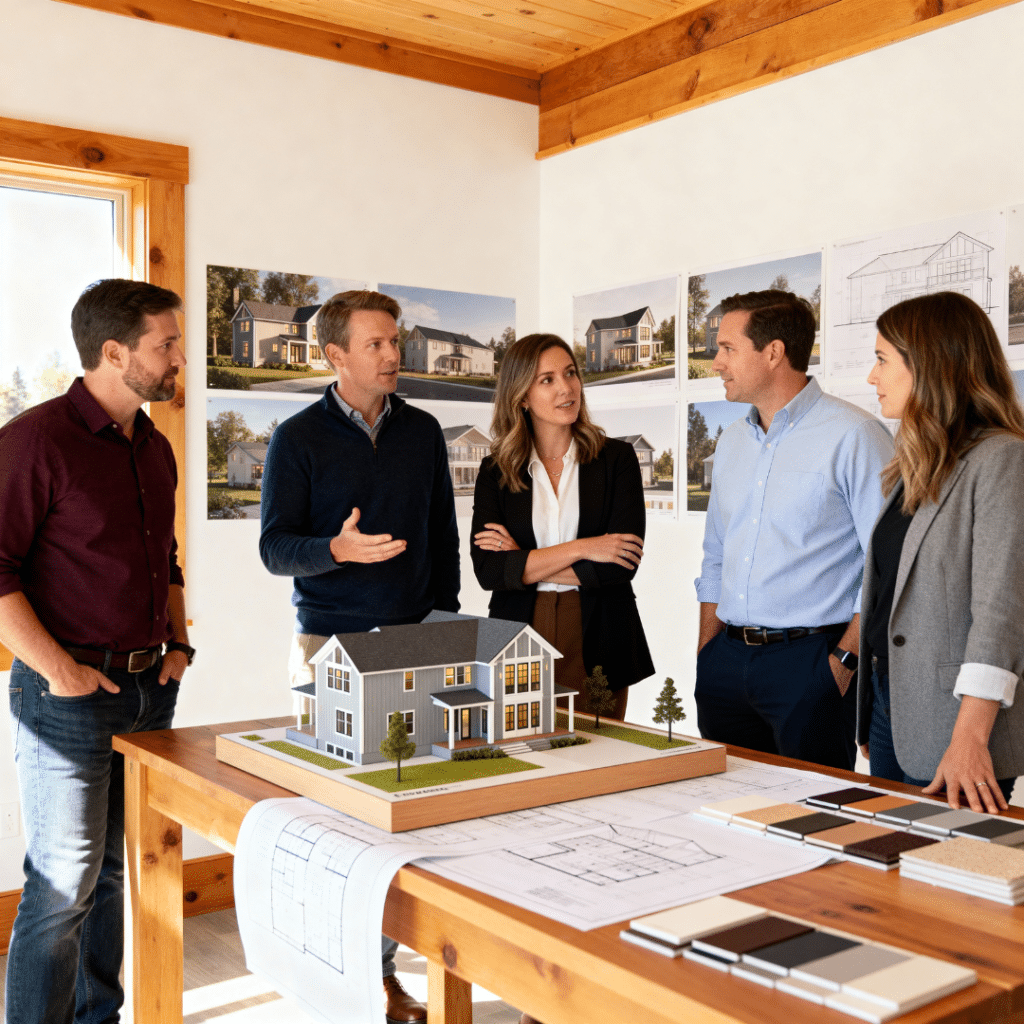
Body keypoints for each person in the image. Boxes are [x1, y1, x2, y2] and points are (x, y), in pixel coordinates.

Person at [258, 289, 459, 1024]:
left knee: (407, 821)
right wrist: (335, 550)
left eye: (394, 340)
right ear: (334, 355)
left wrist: (444, 626)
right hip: (328, 647)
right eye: (375, 343)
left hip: (414, 641)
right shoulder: (296, 438)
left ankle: (381, 977)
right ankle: (331, 979)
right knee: (335, 825)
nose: (392, 354)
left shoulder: (424, 430)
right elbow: (275, 549)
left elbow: (442, 534)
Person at [0, 279, 193, 1024]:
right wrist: (60, 672)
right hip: (67, 697)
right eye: (166, 344)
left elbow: (165, 558)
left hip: (150, 691)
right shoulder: (35, 441)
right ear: (114, 352)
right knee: (62, 887)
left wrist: (178, 643)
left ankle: (97, 1017)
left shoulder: (154, 446)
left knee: (110, 875)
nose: (179, 358)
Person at [694, 290, 893, 770]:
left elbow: (888, 564)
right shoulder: (731, 441)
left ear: (774, 352)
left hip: (811, 663)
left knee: (813, 806)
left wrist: (843, 663)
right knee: (726, 802)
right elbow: (716, 555)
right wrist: (706, 653)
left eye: (728, 348)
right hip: (725, 664)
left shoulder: (856, 436)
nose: (717, 363)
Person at [859, 292, 1024, 812]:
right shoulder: (916, 463)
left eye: (882, 360)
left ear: (929, 366)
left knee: (940, 864)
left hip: (956, 725)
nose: (872, 376)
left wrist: (970, 738)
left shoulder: (1002, 459)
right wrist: (872, 708)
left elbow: (1002, 612)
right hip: (892, 707)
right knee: (884, 856)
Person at [471, 333, 653, 724]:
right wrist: (583, 548)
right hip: (517, 630)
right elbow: (489, 571)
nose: (566, 388)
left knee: (597, 748)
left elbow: (620, 565)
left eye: (570, 373)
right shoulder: (494, 471)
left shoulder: (617, 460)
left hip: (599, 631)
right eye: (547, 380)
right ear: (522, 396)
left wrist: (523, 560)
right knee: (519, 746)